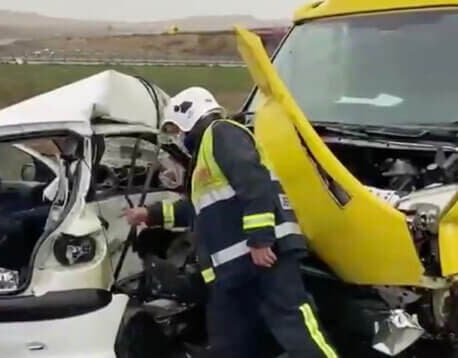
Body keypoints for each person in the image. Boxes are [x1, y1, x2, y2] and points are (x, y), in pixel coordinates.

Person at [125, 87, 338, 358]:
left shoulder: (221, 133)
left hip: (265, 256)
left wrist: (261, 240)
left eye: (176, 129)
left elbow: (255, 184)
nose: (177, 137)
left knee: (295, 328)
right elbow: (199, 210)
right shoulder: (204, 155)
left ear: (189, 117)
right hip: (233, 269)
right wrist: (150, 214)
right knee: (230, 342)